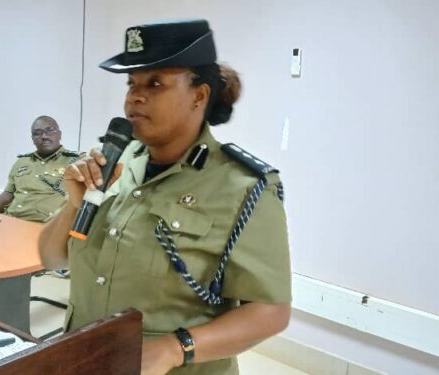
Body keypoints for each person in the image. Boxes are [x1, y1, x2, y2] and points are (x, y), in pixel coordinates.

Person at [38, 19, 291, 375]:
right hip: (86, 358)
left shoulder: (244, 187)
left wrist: (176, 348)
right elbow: (51, 258)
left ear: (199, 95)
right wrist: (74, 204)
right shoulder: (115, 161)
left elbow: (271, 311)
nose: (134, 96)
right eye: (131, 84)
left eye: (155, 83)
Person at [0, 115, 82, 223]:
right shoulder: (22, 162)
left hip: (44, 227)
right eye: (37, 133)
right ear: (32, 139)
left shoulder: (76, 161)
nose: (44, 136)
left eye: (50, 130)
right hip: (11, 220)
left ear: (59, 134)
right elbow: (6, 196)